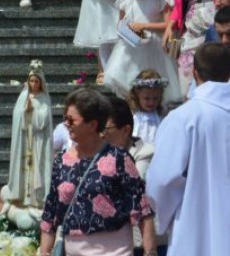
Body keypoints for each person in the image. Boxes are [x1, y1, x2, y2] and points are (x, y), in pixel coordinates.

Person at [146, 43, 230, 256]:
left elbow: (162, 180)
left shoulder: (183, 118)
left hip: (195, 229)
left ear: (194, 72)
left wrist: (168, 214)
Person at [38, 87, 153, 256]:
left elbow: (143, 211)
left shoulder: (119, 158)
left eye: (71, 120)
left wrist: (150, 252)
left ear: (92, 124)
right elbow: (51, 213)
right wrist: (44, 251)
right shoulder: (61, 161)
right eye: (65, 119)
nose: (66, 125)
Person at [103, 0, 182, 103]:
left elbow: (169, 24)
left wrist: (144, 26)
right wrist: (126, 30)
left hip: (154, 47)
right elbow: (121, 22)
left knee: (152, 82)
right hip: (131, 47)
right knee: (129, 81)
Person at [99, 92, 161, 256]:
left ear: (126, 130)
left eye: (105, 129)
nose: (100, 134)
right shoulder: (94, 155)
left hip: (140, 243)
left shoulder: (146, 153)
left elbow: (133, 187)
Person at [6, 61, 52, 210]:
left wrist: (34, 112)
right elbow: (16, 116)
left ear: (41, 82)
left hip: (38, 140)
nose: (33, 84)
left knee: (37, 167)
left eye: (36, 81)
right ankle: (22, 197)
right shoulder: (23, 96)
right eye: (31, 81)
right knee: (25, 166)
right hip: (24, 139)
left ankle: (36, 199)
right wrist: (25, 111)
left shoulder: (44, 98)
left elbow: (45, 120)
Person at [128, 70, 168, 145]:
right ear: (137, 95)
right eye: (146, 98)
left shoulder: (161, 116)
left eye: (155, 98)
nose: (151, 102)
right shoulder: (133, 116)